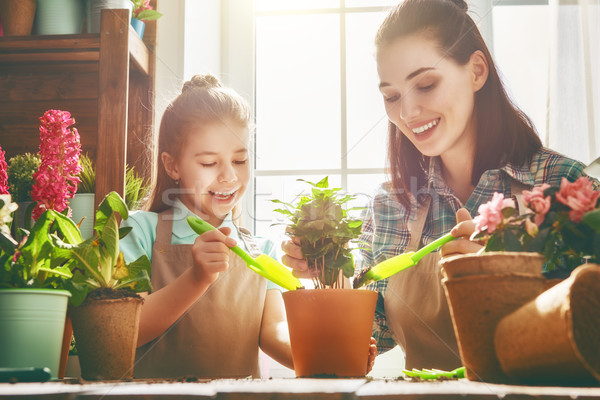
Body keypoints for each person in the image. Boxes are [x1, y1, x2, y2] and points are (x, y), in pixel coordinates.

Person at [281, 0, 597, 370]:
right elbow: (369, 338)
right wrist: (331, 271)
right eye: (391, 96)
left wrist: (496, 278)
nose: (407, 112)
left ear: (477, 71)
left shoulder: (564, 185)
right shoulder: (390, 206)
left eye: (426, 84)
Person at [119, 74, 295, 379]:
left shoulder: (261, 250)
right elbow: (124, 332)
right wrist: (197, 278)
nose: (229, 176)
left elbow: (273, 332)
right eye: (209, 163)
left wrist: (326, 355)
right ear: (172, 165)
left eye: (239, 161)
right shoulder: (140, 231)